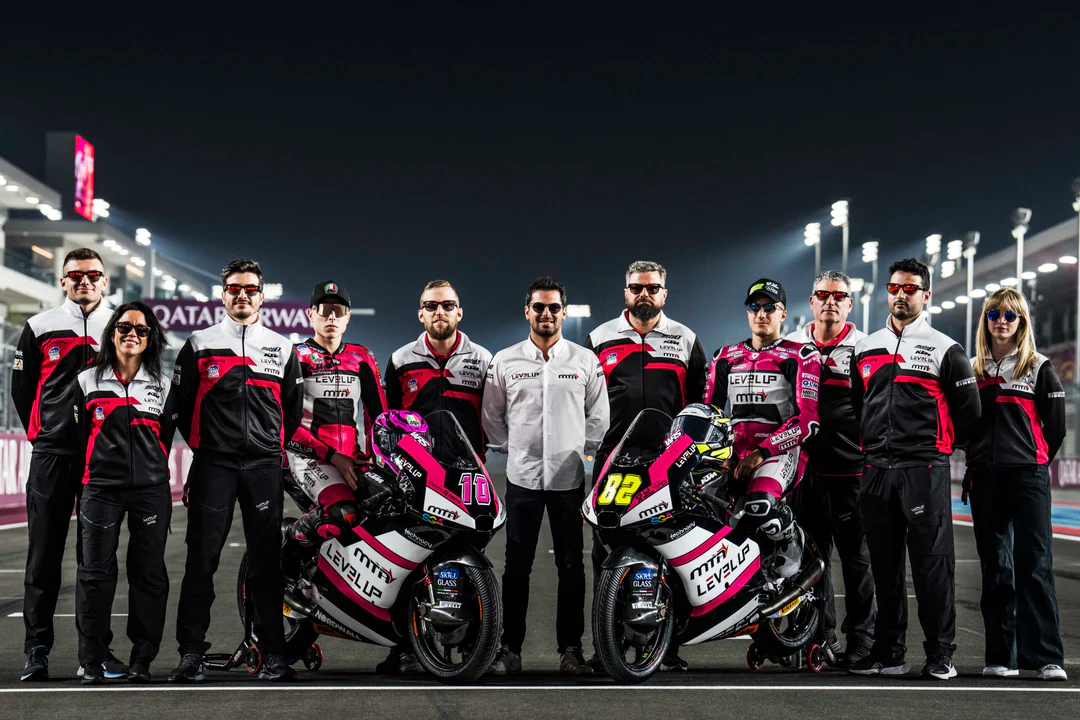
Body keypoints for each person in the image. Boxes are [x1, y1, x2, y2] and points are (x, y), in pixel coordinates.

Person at [169, 259, 304, 683]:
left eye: (249, 289)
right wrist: (207, 448)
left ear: (262, 296)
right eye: (233, 288)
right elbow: (181, 408)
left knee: (267, 563)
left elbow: (292, 413)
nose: (242, 295)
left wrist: (268, 447)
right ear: (223, 294)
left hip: (263, 467)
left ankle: (273, 653)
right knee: (201, 561)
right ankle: (191, 653)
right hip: (214, 466)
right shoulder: (199, 343)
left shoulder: (283, 348)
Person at [849, 258, 980, 681]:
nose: (900, 295)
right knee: (883, 568)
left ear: (926, 295)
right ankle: (889, 653)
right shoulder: (865, 348)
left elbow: (970, 414)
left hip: (924, 469)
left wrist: (934, 448)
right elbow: (858, 406)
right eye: (894, 288)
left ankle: (941, 654)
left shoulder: (946, 348)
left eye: (910, 289)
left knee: (932, 567)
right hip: (876, 470)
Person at [482, 276, 610, 676]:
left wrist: (580, 449)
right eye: (539, 307)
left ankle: (571, 650)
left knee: (571, 567)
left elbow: (599, 417)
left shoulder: (584, 360)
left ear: (564, 312)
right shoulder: (505, 360)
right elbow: (491, 416)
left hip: (568, 480)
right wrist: (512, 446)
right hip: (521, 479)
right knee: (516, 567)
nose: (546, 314)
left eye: (554, 307)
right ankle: (509, 649)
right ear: (527, 311)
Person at [585, 260, 706, 671]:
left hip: (670, 462)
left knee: (670, 549)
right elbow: (584, 399)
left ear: (664, 294)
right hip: (612, 461)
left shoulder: (685, 339)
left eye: (652, 288)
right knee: (606, 552)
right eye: (636, 287)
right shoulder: (599, 338)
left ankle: (667, 647)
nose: (644, 294)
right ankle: (606, 648)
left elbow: (700, 403)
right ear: (625, 292)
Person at [11, 247, 115, 681]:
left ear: (105, 280)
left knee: (96, 561)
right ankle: (37, 649)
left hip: (103, 458)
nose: (84, 281)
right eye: (76, 275)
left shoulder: (122, 325)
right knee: (43, 556)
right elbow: (21, 390)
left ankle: (96, 651)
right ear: (63, 281)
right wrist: (44, 434)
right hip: (52, 456)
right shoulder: (39, 326)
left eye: (92, 274)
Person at [378, 279, 492, 674]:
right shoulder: (400, 360)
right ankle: (405, 647)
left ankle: (476, 642)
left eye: (446, 305)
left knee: (471, 560)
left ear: (459, 312)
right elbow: (385, 418)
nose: (439, 311)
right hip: (415, 476)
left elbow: (494, 417)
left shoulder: (483, 359)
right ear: (420, 313)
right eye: (431, 305)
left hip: (468, 475)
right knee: (410, 560)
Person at [963, 288, 1067, 680]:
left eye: (1010, 315)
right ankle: (1000, 656)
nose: (1002, 321)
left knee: (1035, 563)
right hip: (985, 478)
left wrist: (1031, 462)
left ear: (1021, 321)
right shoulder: (972, 369)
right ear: (985, 320)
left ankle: (1044, 657)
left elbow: (1055, 429)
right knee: (995, 567)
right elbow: (961, 424)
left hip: (1028, 477)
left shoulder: (1039, 367)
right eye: (994, 314)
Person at [74, 302, 175, 684]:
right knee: (95, 574)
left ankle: (142, 659)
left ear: (151, 338)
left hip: (150, 491)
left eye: (141, 329)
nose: (132, 334)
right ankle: (93, 659)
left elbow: (166, 437)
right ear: (112, 333)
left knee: (148, 574)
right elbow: (78, 437)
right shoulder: (87, 380)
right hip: (100, 490)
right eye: (124, 327)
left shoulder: (164, 385)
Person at [785, 271, 876, 667]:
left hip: (851, 473)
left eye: (838, 296)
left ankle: (862, 640)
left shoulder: (866, 348)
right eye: (822, 295)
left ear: (849, 304)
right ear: (811, 301)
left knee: (857, 561)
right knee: (809, 561)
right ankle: (818, 638)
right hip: (803, 473)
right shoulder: (791, 347)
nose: (830, 302)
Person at [704, 278, 822, 577]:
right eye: (754, 307)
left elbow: (808, 421)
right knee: (704, 510)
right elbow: (708, 413)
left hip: (778, 452)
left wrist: (760, 453)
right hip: (733, 453)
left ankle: (791, 540)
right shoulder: (724, 356)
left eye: (770, 307)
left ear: (783, 314)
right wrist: (721, 456)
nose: (761, 313)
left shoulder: (800, 355)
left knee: (760, 504)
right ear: (747, 312)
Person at [285, 281, 387, 550]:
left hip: (353, 457)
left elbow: (378, 416)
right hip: (309, 458)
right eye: (324, 309)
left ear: (347, 317)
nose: (331, 317)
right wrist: (332, 456)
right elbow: (286, 424)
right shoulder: (296, 356)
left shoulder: (362, 356)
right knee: (344, 513)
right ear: (311, 314)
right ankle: (287, 540)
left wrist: (377, 455)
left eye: (338, 311)